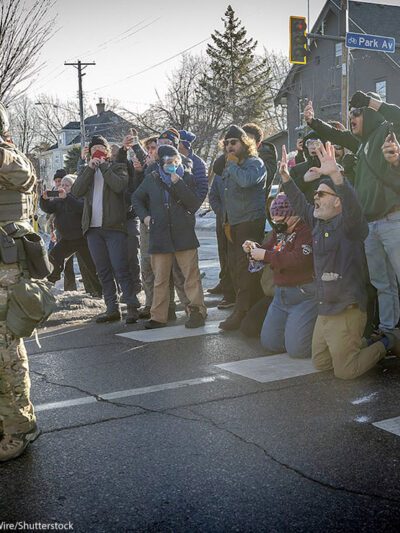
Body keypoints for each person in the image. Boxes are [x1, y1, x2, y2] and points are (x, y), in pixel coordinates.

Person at [280, 141, 400, 379]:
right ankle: (359, 341)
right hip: (325, 310)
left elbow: (353, 206)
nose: (315, 197)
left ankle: (387, 342)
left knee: (346, 372)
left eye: (321, 194)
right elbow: (298, 201)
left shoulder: (350, 225)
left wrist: (336, 176)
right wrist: (285, 177)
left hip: (347, 310)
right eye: (315, 193)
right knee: (321, 363)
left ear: (337, 201)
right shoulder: (316, 223)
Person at [304, 92, 400, 336]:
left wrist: (370, 102)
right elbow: (337, 135)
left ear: (369, 114)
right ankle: (390, 331)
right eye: (350, 114)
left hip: (393, 219)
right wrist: (314, 123)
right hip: (371, 225)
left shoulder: (387, 130)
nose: (351, 118)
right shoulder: (361, 143)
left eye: (356, 113)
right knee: (382, 283)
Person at [0, 102, 42, 460]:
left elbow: (24, 175)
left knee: (4, 351)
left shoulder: (10, 158)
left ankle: (19, 428)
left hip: (6, 271)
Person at [133, 145, 206, 329]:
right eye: (168, 162)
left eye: (175, 161)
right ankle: (158, 316)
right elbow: (136, 198)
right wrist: (145, 217)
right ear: (161, 163)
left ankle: (197, 312)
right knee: (161, 278)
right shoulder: (152, 178)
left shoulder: (186, 176)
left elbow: (193, 203)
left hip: (184, 234)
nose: (172, 165)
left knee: (191, 276)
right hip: (160, 234)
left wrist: (178, 183)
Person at [71, 135, 139, 324]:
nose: (97, 152)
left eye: (101, 148)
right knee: (103, 270)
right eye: (94, 150)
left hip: (114, 227)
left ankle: (132, 307)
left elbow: (119, 186)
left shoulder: (117, 166)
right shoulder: (88, 170)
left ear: (108, 151)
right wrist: (89, 168)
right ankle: (112, 308)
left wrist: (103, 166)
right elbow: (76, 191)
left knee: (121, 268)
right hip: (93, 229)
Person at [244, 193, 317, 358]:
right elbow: (268, 248)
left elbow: (298, 260)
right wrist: (253, 249)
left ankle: (314, 331)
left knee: (298, 351)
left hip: (303, 295)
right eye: (274, 221)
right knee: (271, 343)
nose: (277, 226)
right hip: (280, 295)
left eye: (280, 221)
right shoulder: (280, 231)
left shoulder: (307, 230)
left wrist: (265, 255)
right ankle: (296, 330)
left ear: (295, 215)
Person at [217, 125, 266, 331]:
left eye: (233, 142)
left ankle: (243, 312)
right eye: (227, 143)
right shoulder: (231, 165)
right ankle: (245, 310)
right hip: (234, 224)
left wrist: (233, 165)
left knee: (246, 270)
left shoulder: (255, 163)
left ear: (245, 143)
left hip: (250, 223)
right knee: (236, 269)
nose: (229, 146)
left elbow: (247, 182)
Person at [39, 175, 100, 293]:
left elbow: (80, 207)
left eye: (67, 185)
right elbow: (48, 208)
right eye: (62, 185)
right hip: (67, 239)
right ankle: (50, 282)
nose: (63, 187)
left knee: (91, 266)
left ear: (74, 187)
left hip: (82, 238)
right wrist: (44, 199)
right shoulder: (58, 200)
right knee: (54, 256)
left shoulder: (79, 196)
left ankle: (100, 291)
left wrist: (66, 197)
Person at [178, 130, 209, 204]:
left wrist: (192, 207)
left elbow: (202, 189)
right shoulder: (174, 161)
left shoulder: (198, 163)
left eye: (175, 141)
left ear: (181, 144)